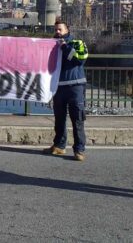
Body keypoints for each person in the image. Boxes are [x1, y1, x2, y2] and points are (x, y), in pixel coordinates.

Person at [44, 20, 89, 161]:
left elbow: (80, 59)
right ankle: (59, 146)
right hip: (58, 87)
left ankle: (79, 150)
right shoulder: (52, 45)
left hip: (75, 86)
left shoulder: (77, 43)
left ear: (67, 30)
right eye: (55, 29)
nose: (57, 32)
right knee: (59, 119)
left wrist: (64, 47)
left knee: (77, 119)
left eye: (60, 29)